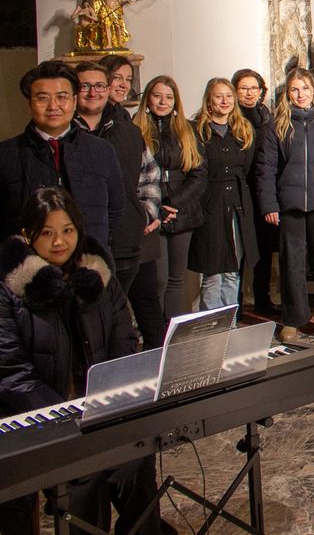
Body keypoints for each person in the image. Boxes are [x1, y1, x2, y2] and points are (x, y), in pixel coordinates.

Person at [0, 188, 164, 535]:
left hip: (100, 410)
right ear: (28, 235)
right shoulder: (9, 289)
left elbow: (124, 341)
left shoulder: (97, 274)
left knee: (137, 460)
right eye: (47, 232)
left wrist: (112, 399)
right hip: (43, 420)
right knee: (85, 478)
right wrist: (66, 416)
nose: (59, 241)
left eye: (68, 230)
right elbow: (12, 373)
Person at [73, 62, 164, 348]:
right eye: (85, 86)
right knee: (89, 321)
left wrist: (143, 214)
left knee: (126, 312)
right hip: (81, 244)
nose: (93, 92)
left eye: (99, 85)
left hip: (126, 239)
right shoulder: (66, 133)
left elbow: (150, 175)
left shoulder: (128, 131)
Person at [256, 69, 314, 343]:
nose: (300, 94)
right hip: (289, 205)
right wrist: (269, 204)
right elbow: (266, 168)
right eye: (295, 89)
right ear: (288, 94)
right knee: (291, 265)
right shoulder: (277, 124)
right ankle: (293, 319)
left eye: (305, 88)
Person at [0, 62, 125, 250]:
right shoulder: (7, 154)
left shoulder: (101, 150)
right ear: (29, 103)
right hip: (27, 262)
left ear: (74, 101)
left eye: (62, 97)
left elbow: (115, 209)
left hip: (87, 259)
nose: (53, 106)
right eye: (43, 98)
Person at [135, 75, 207, 322]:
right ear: (148, 99)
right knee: (158, 279)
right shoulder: (136, 129)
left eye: (168, 97)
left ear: (176, 101)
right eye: (157, 96)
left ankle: (173, 332)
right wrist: (156, 209)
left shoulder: (188, 130)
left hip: (181, 211)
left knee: (177, 278)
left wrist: (173, 205)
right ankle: (155, 332)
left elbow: (199, 173)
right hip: (150, 213)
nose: (162, 102)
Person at [189, 78, 258, 312]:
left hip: (237, 205)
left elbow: (246, 168)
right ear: (209, 100)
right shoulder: (198, 131)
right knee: (213, 272)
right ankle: (211, 324)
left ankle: (230, 321)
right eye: (219, 96)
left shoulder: (243, 130)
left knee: (232, 270)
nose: (225, 101)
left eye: (229, 96)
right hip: (210, 205)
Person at [234, 68, 277, 315]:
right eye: (243, 88)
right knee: (239, 249)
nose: (249, 93)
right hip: (240, 190)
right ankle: (236, 302)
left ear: (261, 92)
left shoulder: (266, 117)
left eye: (254, 88)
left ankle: (263, 298)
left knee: (263, 248)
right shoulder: (232, 118)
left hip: (262, 190)